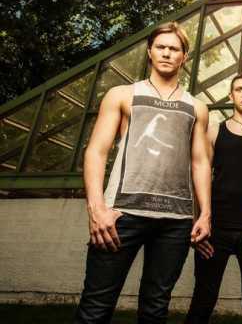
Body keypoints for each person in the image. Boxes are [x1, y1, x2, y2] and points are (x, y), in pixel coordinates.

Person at [75, 22, 212, 324]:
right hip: (121, 215)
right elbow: (96, 151)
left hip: (175, 222)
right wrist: (97, 209)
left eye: (174, 48)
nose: (166, 53)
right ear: (150, 52)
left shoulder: (197, 107)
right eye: (160, 47)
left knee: (155, 309)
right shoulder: (122, 94)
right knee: (95, 308)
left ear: (184, 57)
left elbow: (201, 162)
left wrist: (205, 214)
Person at [185, 73, 242, 324]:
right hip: (216, 228)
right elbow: (199, 178)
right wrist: (197, 222)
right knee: (203, 298)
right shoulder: (214, 131)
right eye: (239, 89)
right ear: (231, 95)